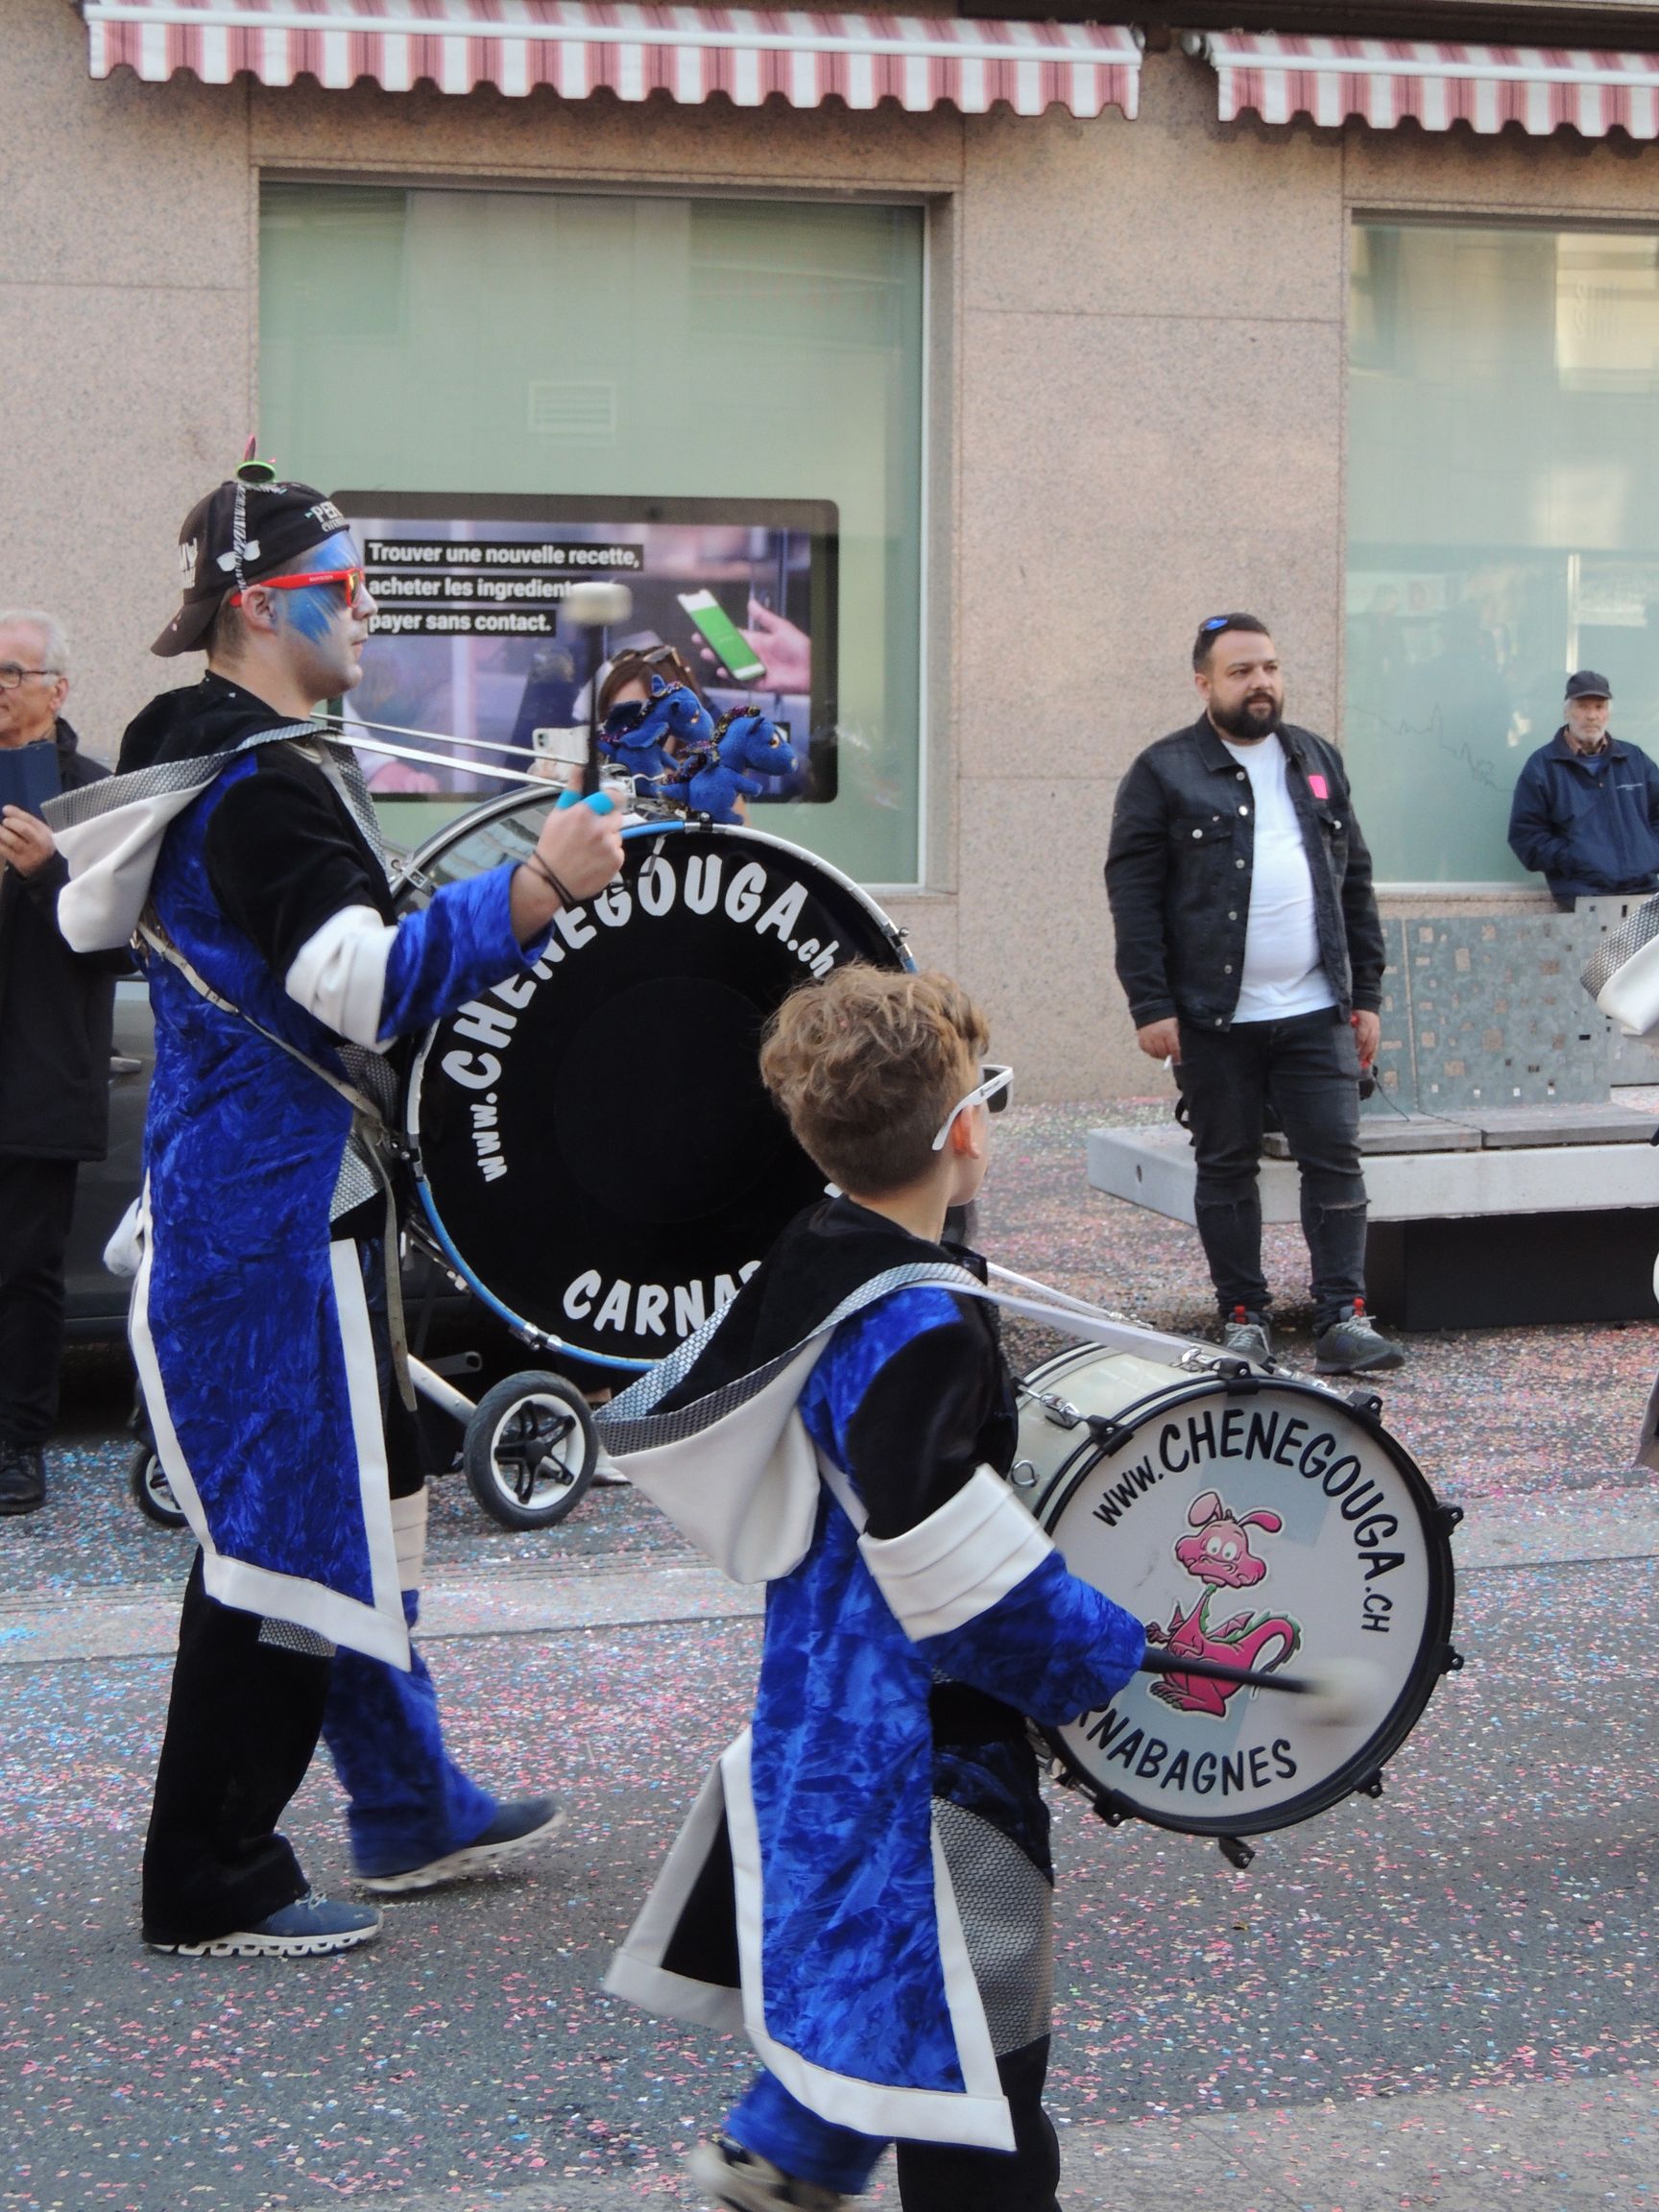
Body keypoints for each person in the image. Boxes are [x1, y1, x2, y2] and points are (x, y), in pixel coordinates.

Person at [46, 457, 624, 1957]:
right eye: (343, 587)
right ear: (259, 605)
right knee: (276, 1549)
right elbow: (354, 985)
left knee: (349, 1507)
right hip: (262, 1225)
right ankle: (211, 1879)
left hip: (291, 1203)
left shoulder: (252, 764)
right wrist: (533, 892)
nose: (367, 609)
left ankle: (406, 1801)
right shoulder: (259, 786)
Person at [598, 965, 1146, 2212]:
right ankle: (826, 2158)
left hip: (822, 1707)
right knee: (981, 2081)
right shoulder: (924, 1327)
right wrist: (1101, 1652)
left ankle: (794, 2150)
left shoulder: (818, 1252)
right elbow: (950, 1565)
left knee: (877, 1961)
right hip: (930, 1746)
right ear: (965, 1132)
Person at [1105, 613, 1403, 1377]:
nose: (1260, 682)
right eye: (1240, 671)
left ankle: (1343, 1317)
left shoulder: (1316, 758)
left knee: (1335, 1161)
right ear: (1204, 683)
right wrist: (1150, 1004)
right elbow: (1134, 897)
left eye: (1269, 667)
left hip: (1316, 1009)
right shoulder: (1163, 771)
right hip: (1213, 1016)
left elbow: (1355, 884)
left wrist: (1365, 993)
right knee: (1226, 1166)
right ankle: (1243, 1316)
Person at [0, 613, 126, 1516]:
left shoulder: (96, 799)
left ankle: (17, 1444)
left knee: (22, 1269)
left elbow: (126, 945)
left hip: (38, 1073)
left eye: (12, 672)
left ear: (57, 689)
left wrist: (52, 873)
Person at [1507, 670, 1659, 909]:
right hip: (1583, 897)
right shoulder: (1543, 767)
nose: (1592, 716)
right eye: (1583, 707)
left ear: (1608, 713)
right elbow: (1526, 837)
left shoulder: (1634, 759)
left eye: (1599, 707)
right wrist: (1576, 858)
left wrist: (1649, 853)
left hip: (1645, 893)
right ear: (1567, 711)